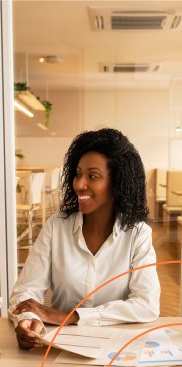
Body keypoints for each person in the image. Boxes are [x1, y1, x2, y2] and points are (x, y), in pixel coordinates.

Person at [9, 128, 160, 350]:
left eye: (92, 176)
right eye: (78, 174)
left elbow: (147, 305)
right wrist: (28, 320)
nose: (79, 184)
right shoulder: (56, 227)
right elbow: (27, 292)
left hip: (117, 350)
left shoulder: (138, 234)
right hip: (59, 348)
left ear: (117, 183)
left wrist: (71, 316)